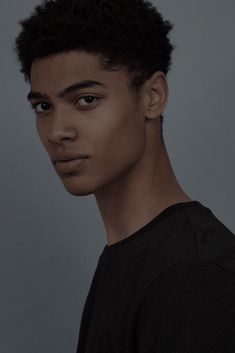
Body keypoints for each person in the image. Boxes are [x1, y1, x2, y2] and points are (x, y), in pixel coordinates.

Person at [14, 0, 235, 352]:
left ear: (153, 96)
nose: (57, 130)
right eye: (43, 106)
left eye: (86, 99)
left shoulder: (192, 278)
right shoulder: (132, 254)